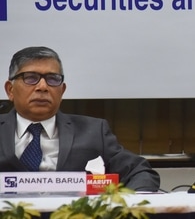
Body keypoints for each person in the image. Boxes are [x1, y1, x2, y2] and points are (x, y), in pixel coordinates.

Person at [0, 46, 160, 192]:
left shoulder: (93, 131)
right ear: (10, 90)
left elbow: (140, 172)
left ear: (62, 91)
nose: (42, 87)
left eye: (53, 79)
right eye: (30, 77)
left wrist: (129, 208)